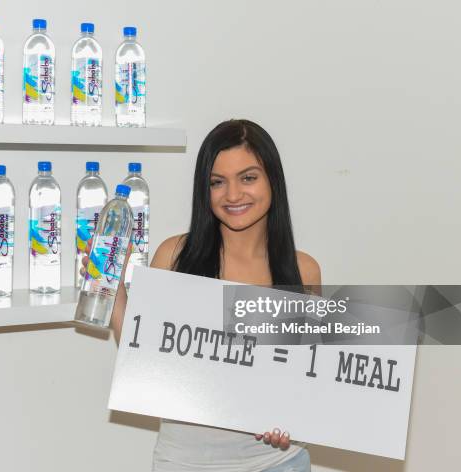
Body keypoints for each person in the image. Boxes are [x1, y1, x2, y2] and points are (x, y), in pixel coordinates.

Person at [82, 119, 321, 471]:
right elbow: (142, 356)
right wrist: (113, 285)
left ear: (273, 180)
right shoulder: (174, 255)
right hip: (185, 462)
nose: (234, 195)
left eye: (249, 177)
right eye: (217, 182)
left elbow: (310, 379)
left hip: (278, 463)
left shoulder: (304, 271)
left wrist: (294, 422)